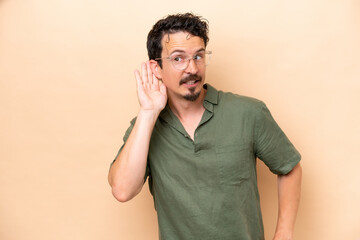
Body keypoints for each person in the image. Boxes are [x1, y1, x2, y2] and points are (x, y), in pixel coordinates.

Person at [108, 13, 302, 240]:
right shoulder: (145, 128)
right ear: (156, 68)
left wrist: (284, 232)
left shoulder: (249, 113)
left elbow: (289, 166)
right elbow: (122, 190)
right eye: (178, 59)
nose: (192, 68)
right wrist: (148, 113)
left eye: (198, 56)